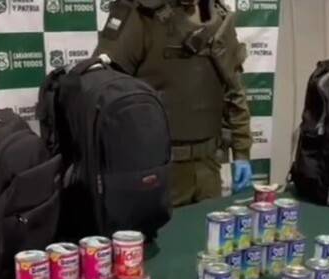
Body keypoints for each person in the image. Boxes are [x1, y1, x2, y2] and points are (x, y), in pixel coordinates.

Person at [95, 0, 253, 206]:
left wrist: (241, 152)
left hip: (208, 168)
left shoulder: (216, 15)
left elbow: (234, 90)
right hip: (157, 169)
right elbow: (106, 91)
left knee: (207, 225)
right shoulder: (141, 14)